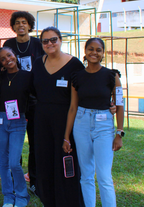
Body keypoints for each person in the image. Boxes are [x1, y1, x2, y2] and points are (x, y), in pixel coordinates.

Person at [63, 38, 124, 207]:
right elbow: (73, 107)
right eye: (91, 49)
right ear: (85, 51)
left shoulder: (112, 76)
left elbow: (119, 105)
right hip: (81, 124)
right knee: (86, 175)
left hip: (104, 126)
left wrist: (119, 133)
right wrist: (66, 136)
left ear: (103, 53)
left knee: (104, 175)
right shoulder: (76, 77)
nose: (94, 53)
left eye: (98, 50)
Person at [31, 27, 85, 207]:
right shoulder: (38, 63)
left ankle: (68, 201)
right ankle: (49, 200)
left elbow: (81, 97)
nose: (49, 44)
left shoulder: (74, 64)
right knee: (44, 161)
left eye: (53, 39)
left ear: (61, 40)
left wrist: (108, 104)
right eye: (45, 41)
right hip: (41, 120)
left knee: (65, 161)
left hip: (65, 121)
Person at [3, 11, 44, 194]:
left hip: (35, 101)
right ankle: (15, 181)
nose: (21, 25)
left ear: (29, 25)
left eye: (24, 22)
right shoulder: (9, 45)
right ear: (13, 26)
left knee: (35, 143)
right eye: (17, 22)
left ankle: (34, 182)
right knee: (14, 144)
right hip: (14, 102)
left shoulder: (37, 44)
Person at [0, 47, 31, 207]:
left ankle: (22, 196)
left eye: (9, 55)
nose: (7, 59)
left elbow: (35, 97)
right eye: (3, 58)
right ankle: (8, 196)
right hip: (1, 121)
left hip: (18, 122)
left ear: (15, 55)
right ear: (0, 63)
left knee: (14, 162)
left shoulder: (27, 76)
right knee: (4, 162)